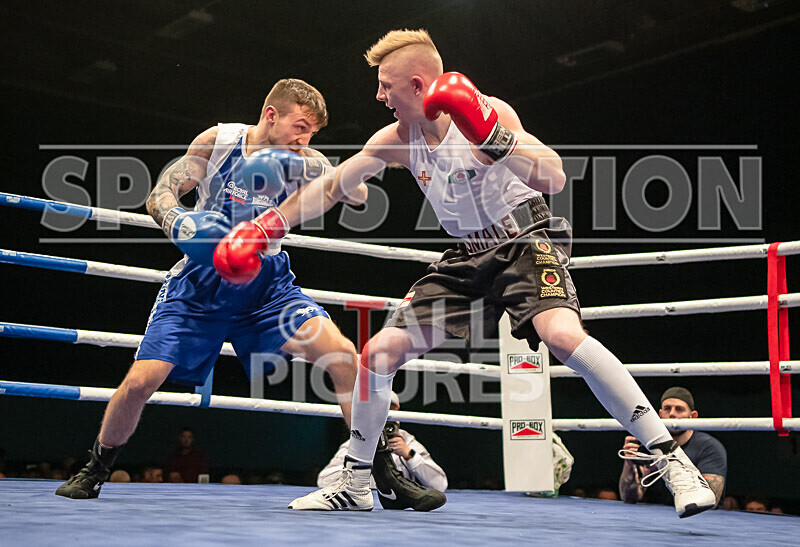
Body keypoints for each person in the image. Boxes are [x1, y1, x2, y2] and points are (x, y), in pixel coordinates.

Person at [233, 29, 716, 516]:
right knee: (378, 354)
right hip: (466, 258)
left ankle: (672, 460)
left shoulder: (487, 112)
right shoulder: (397, 139)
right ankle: (356, 481)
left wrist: (493, 135)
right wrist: (264, 225)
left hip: (524, 241)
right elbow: (335, 186)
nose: (379, 96)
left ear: (418, 85)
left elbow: (553, 176)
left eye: (385, 85)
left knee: (564, 337)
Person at [55, 78, 364, 500]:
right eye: (300, 126)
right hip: (201, 281)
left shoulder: (303, 158)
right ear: (271, 115)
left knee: (344, 356)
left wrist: (312, 162)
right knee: (142, 381)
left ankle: (374, 465)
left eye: (312, 131)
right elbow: (161, 194)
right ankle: (96, 467)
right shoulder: (220, 142)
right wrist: (182, 224)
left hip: (266, 284)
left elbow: (358, 193)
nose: (305, 138)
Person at [618, 387, 727, 508]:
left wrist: (667, 466)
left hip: (697, 520)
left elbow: (710, 502)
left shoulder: (708, 447)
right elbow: (629, 498)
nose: (672, 414)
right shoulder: (647, 444)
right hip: (652, 518)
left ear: (693, 416)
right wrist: (629, 462)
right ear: (660, 414)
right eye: (667, 409)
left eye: (679, 409)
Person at [317, 391, 447, 492]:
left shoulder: (407, 441)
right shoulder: (357, 441)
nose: (384, 416)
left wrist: (409, 455)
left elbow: (440, 485)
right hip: (366, 502)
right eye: (380, 411)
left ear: (398, 416)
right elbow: (323, 480)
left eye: (389, 411)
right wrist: (362, 460)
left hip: (401, 507)